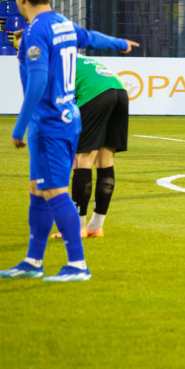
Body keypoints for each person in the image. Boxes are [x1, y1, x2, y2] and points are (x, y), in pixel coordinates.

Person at [0, 0, 136, 282]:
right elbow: (91, 38)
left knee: (55, 191)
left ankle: (77, 265)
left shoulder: (34, 32)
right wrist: (119, 43)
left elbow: (37, 81)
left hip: (50, 123)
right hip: (63, 118)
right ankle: (33, 260)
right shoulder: (61, 23)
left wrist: (19, 128)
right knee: (37, 190)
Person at [69, 55, 130, 237]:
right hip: (119, 91)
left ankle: (76, 228)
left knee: (82, 160)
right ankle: (96, 227)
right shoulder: (76, 56)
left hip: (95, 93)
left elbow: (63, 106)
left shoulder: (52, 62)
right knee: (105, 161)